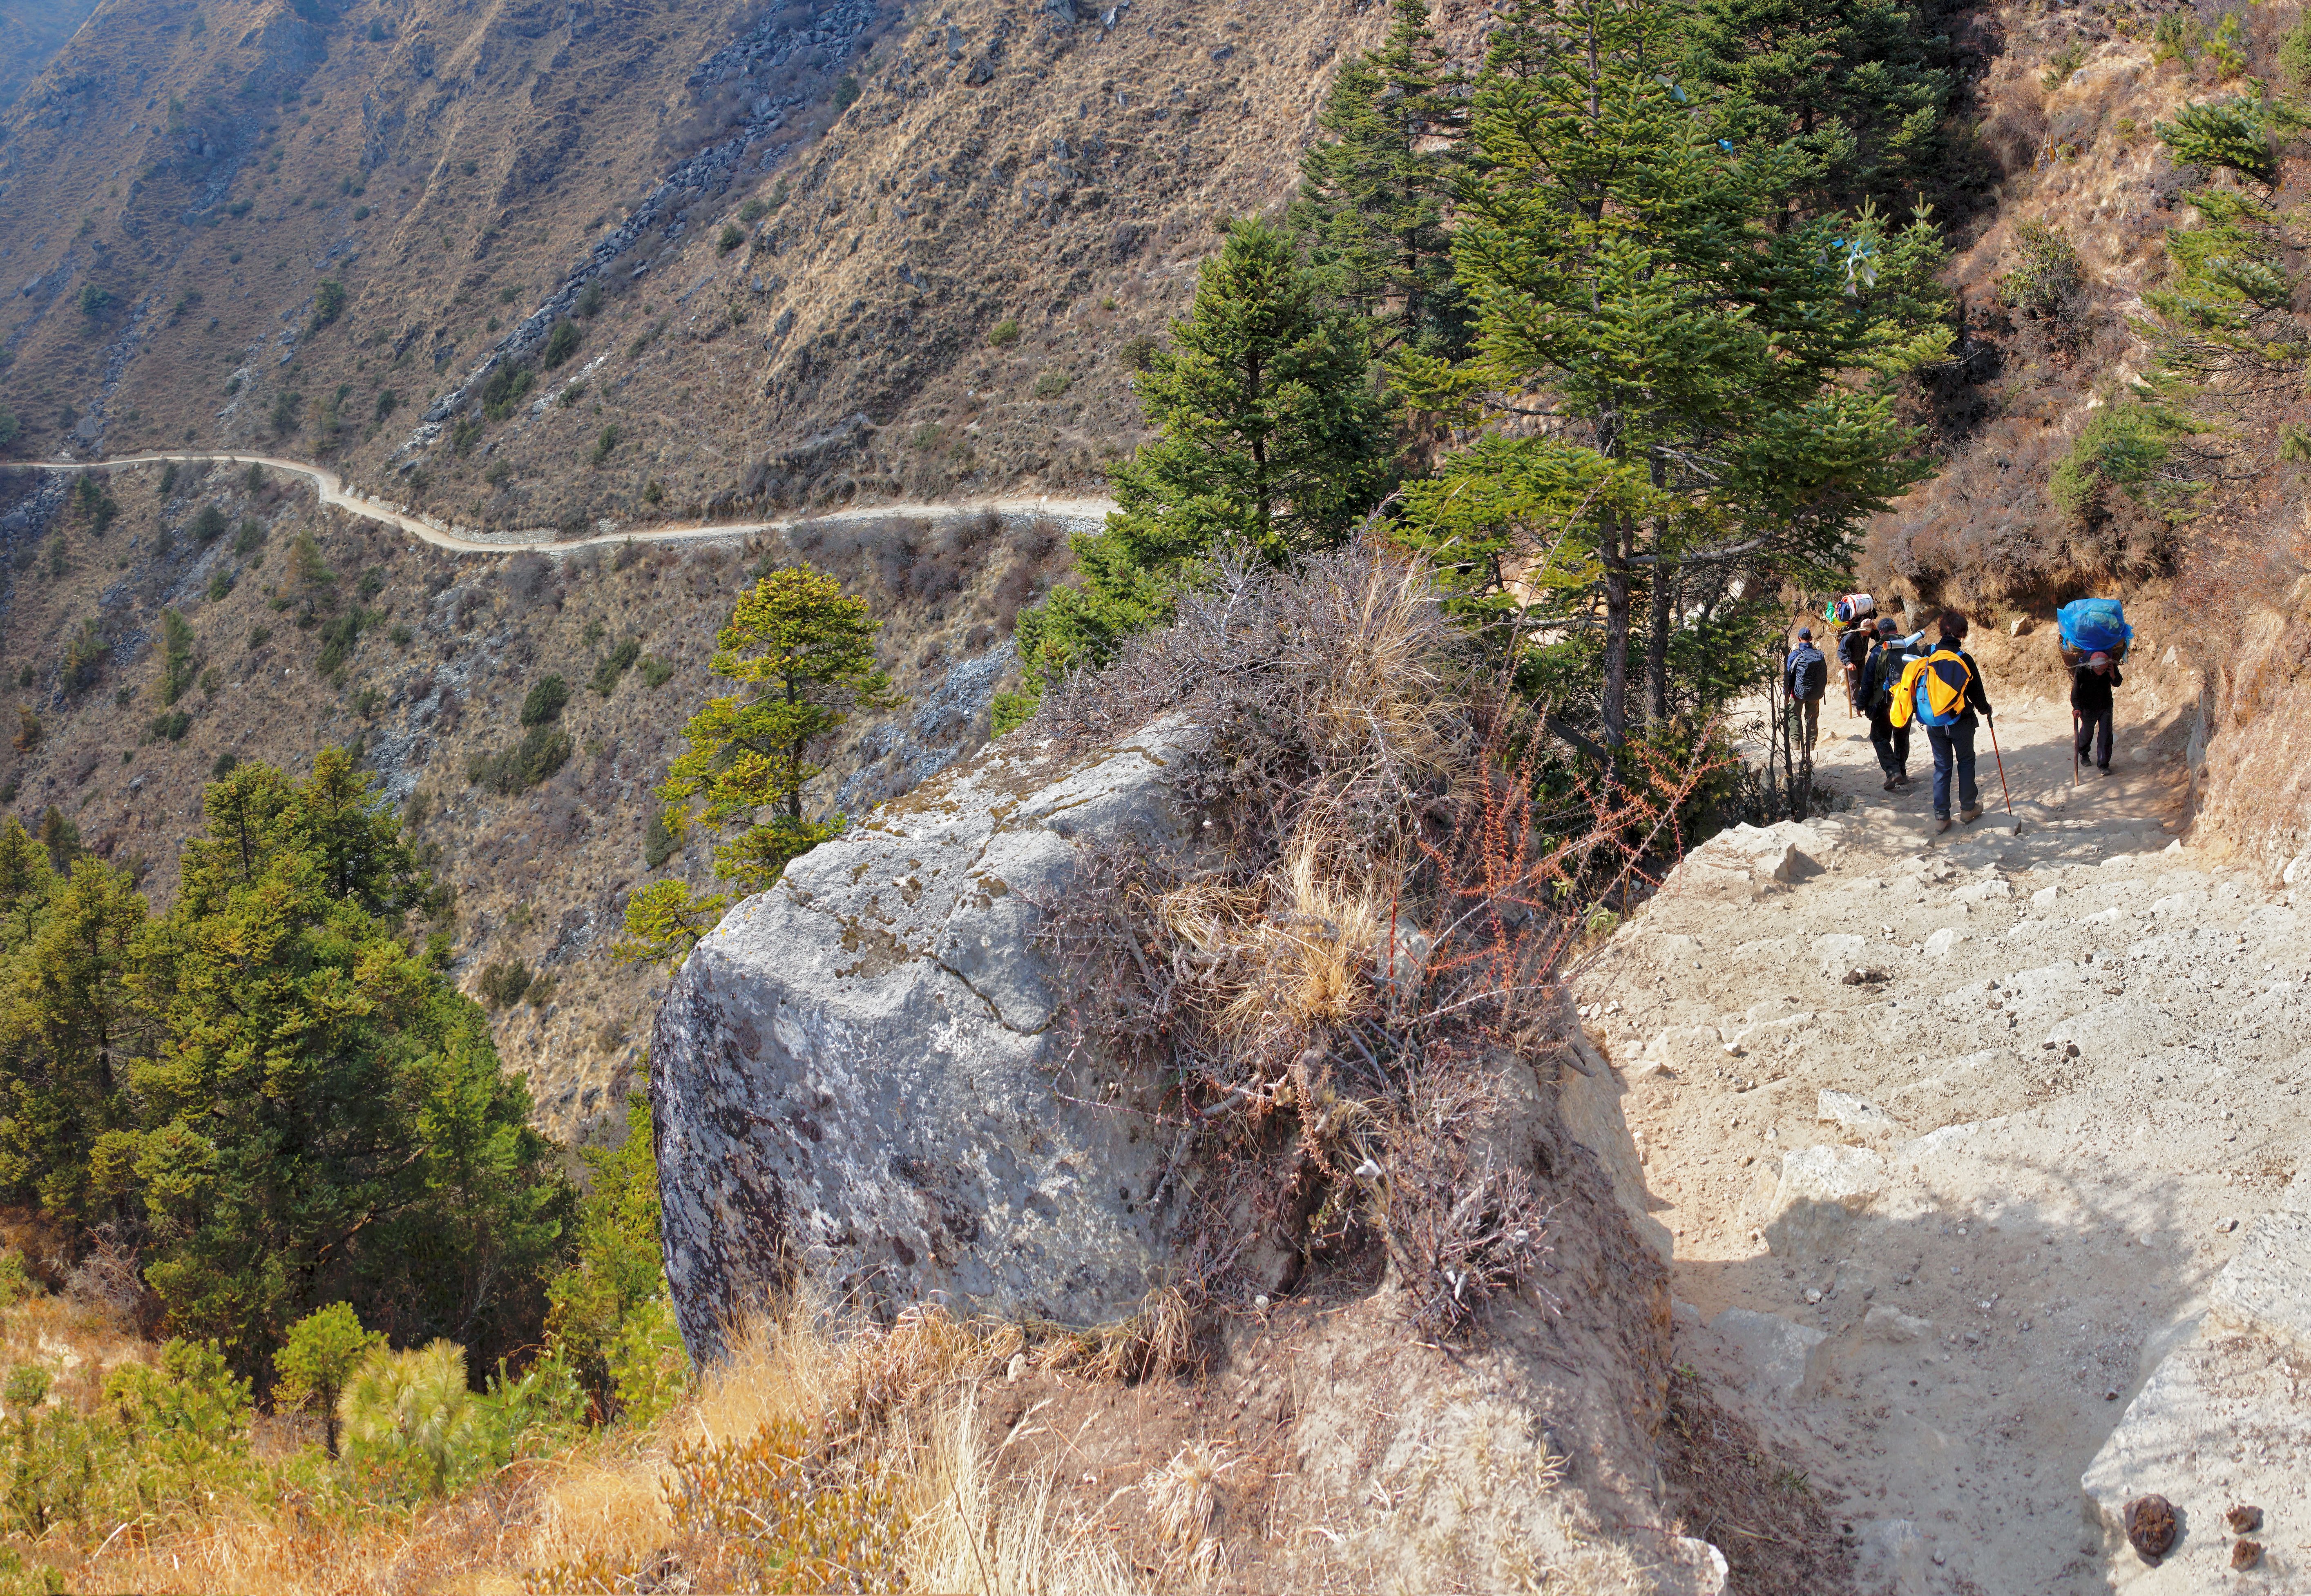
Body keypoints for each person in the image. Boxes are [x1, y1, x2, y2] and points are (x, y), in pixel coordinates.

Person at [1892, 610, 1995, 832]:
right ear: (1962, 634)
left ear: (1941, 631)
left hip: (1934, 722)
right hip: (1960, 721)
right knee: (1966, 761)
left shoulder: (1928, 654)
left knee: (1942, 767)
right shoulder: (1964, 658)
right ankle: (1968, 809)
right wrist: (1986, 710)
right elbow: (1977, 694)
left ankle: (1941, 817)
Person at [1860, 616, 1911, 791]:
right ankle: (1901, 772)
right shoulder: (1909, 647)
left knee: (1879, 737)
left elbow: (1867, 681)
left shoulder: (1878, 652)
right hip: (1906, 702)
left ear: (1881, 632)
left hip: (1886, 704)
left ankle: (1892, 771)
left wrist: (1861, 704)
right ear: (1896, 630)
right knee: (1902, 737)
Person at [2072, 650, 2123, 776]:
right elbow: (2076, 691)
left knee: (2106, 735)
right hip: (2087, 707)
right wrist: (2077, 707)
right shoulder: (2082, 669)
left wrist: (2113, 675)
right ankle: (2084, 753)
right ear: (2092, 665)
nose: (2102, 672)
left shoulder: (2110, 667)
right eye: (2099, 670)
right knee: (2087, 732)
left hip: (2105, 705)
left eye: (2104, 670)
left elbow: (2117, 683)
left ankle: (2104, 765)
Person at [1786, 626, 1828, 750]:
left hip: (1798, 693)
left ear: (1799, 639)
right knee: (1812, 717)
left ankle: (1796, 744)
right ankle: (1811, 745)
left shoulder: (1794, 655)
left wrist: (1786, 692)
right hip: (1815, 693)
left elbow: (1788, 676)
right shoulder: (1819, 655)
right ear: (1811, 638)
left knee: (1794, 715)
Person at [1838, 621, 1873, 716]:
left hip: (1861, 659)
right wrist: (1848, 663)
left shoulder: (1868, 634)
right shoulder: (1851, 635)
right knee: (1854, 683)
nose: (1868, 633)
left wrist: (1876, 629)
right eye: (1866, 631)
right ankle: (1855, 704)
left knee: (1861, 681)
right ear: (1861, 630)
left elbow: (1878, 637)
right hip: (1852, 661)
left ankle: (1849, 693)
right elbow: (1841, 650)